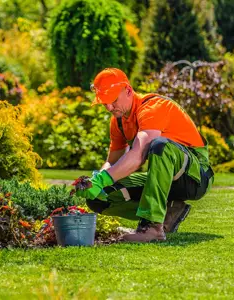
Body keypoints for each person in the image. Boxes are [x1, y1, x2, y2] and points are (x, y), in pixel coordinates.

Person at [76, 68, 214, 243]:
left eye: (113, 101)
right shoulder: (118, 121)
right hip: (164, 177)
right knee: (99, 199)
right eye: (104, 103)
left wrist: (103, 179)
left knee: (159, 145)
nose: (109, 107)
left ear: (127, 90)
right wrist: (94, 182)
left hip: (195, 177)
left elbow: (138, 155)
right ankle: (170, 212)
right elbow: (112, 162)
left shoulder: (152, 108)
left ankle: (153, 226)